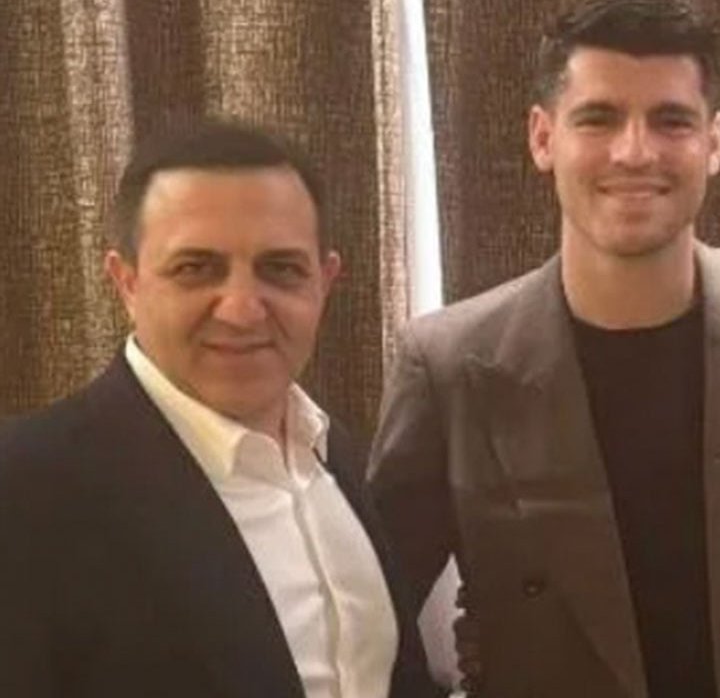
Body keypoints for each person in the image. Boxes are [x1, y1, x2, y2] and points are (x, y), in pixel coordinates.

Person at [369, 0, 720, 698]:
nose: (635, 152)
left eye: (671, 120)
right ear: (544, 137)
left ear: (714, 143)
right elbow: (368, 618)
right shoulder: (448, 364)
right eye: (598, 118)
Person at [0, 119, 441, 698]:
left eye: (281, 269)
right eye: (195, 269)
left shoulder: (339, 458)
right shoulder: (24, 487)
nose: (241, 310)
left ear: (324, 281)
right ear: (126, 282)